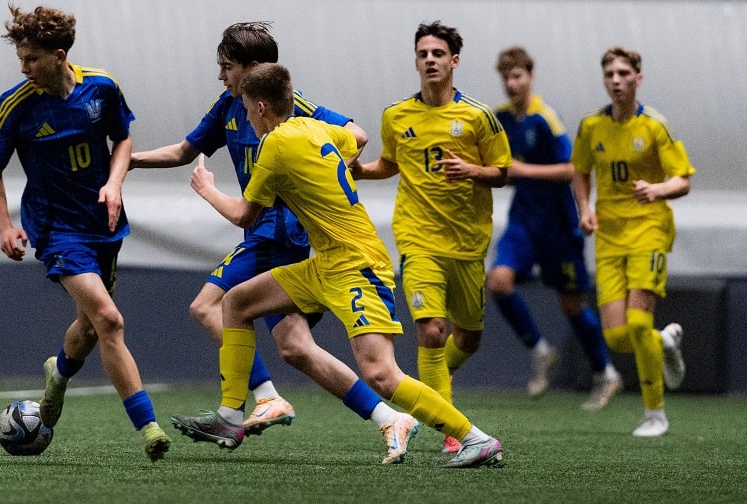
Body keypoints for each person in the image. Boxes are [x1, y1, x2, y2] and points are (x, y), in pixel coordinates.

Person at [172, 63, 504, 468]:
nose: (246, 118)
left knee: (381, 374)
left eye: (246, 109)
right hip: (326, 262)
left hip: (357, 264)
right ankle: (229, 416)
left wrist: (206, 189)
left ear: (260, 107)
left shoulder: (274, 145)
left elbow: (244, 214)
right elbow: (355, 140)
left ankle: (475, 438)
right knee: (237, 303)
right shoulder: (317, 128)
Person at [131, 22, 417, 461]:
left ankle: (258, 399)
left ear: (252, 69)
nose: (220, 75)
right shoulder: (228, 106)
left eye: (227, 67)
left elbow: (358, 136)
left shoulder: (293, 107)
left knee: (207, 306)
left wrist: (315, 182)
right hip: (266, 234)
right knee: (295, 348)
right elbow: (185, 151)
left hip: (279, 233)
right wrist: (129, 161)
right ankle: (387, 417)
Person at [0, 4, 170, 462]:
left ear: (59, 56)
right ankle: (149, 428)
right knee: (109, 319)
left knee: (87, 328)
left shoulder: (101, 88)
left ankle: (58, 377)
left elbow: (123, 138)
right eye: (20, 59)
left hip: (103, 226)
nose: (23, 68)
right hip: (56, 230)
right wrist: (5, 226)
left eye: (31, 59)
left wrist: (114, 183)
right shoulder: (16, 105)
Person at [351, 21, 511, 454]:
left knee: (468, 338)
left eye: (438, 53)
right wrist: (362, 171)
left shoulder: (478, 116)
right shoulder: (397, 115)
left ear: (454, 61)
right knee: (432, 331)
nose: (430, 60)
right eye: (423, 54)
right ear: (416, 61)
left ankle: (440, 378)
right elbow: (390, 163)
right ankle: (453, 432)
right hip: (418, 239)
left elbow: (502, 171)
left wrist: (471, 170)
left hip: (467, 243)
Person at [570, 45, 695, 437]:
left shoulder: (654, 125)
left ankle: (655, 415)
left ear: (638, 78)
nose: (616, 81)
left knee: (638, 324)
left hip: (648, 230)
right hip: (609, 236)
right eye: (610, 75)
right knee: (617, 337)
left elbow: (682, 180)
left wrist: (657, 190)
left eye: (624, 74)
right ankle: (665, 341)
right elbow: (579, 170)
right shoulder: (591, 126)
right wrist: (584, 209)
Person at [488, 46, 621, 409]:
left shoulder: (546, 117)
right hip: (523, 219)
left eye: (517, 76)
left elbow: (571, 169)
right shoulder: (500, 118)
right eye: (506, 77)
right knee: (498, 282)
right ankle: (540, 351)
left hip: (559, 225)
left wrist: (522, 171)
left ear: (530, 77)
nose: (511, 84)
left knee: (571, 305)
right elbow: (506, 169)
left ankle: (606, 372)